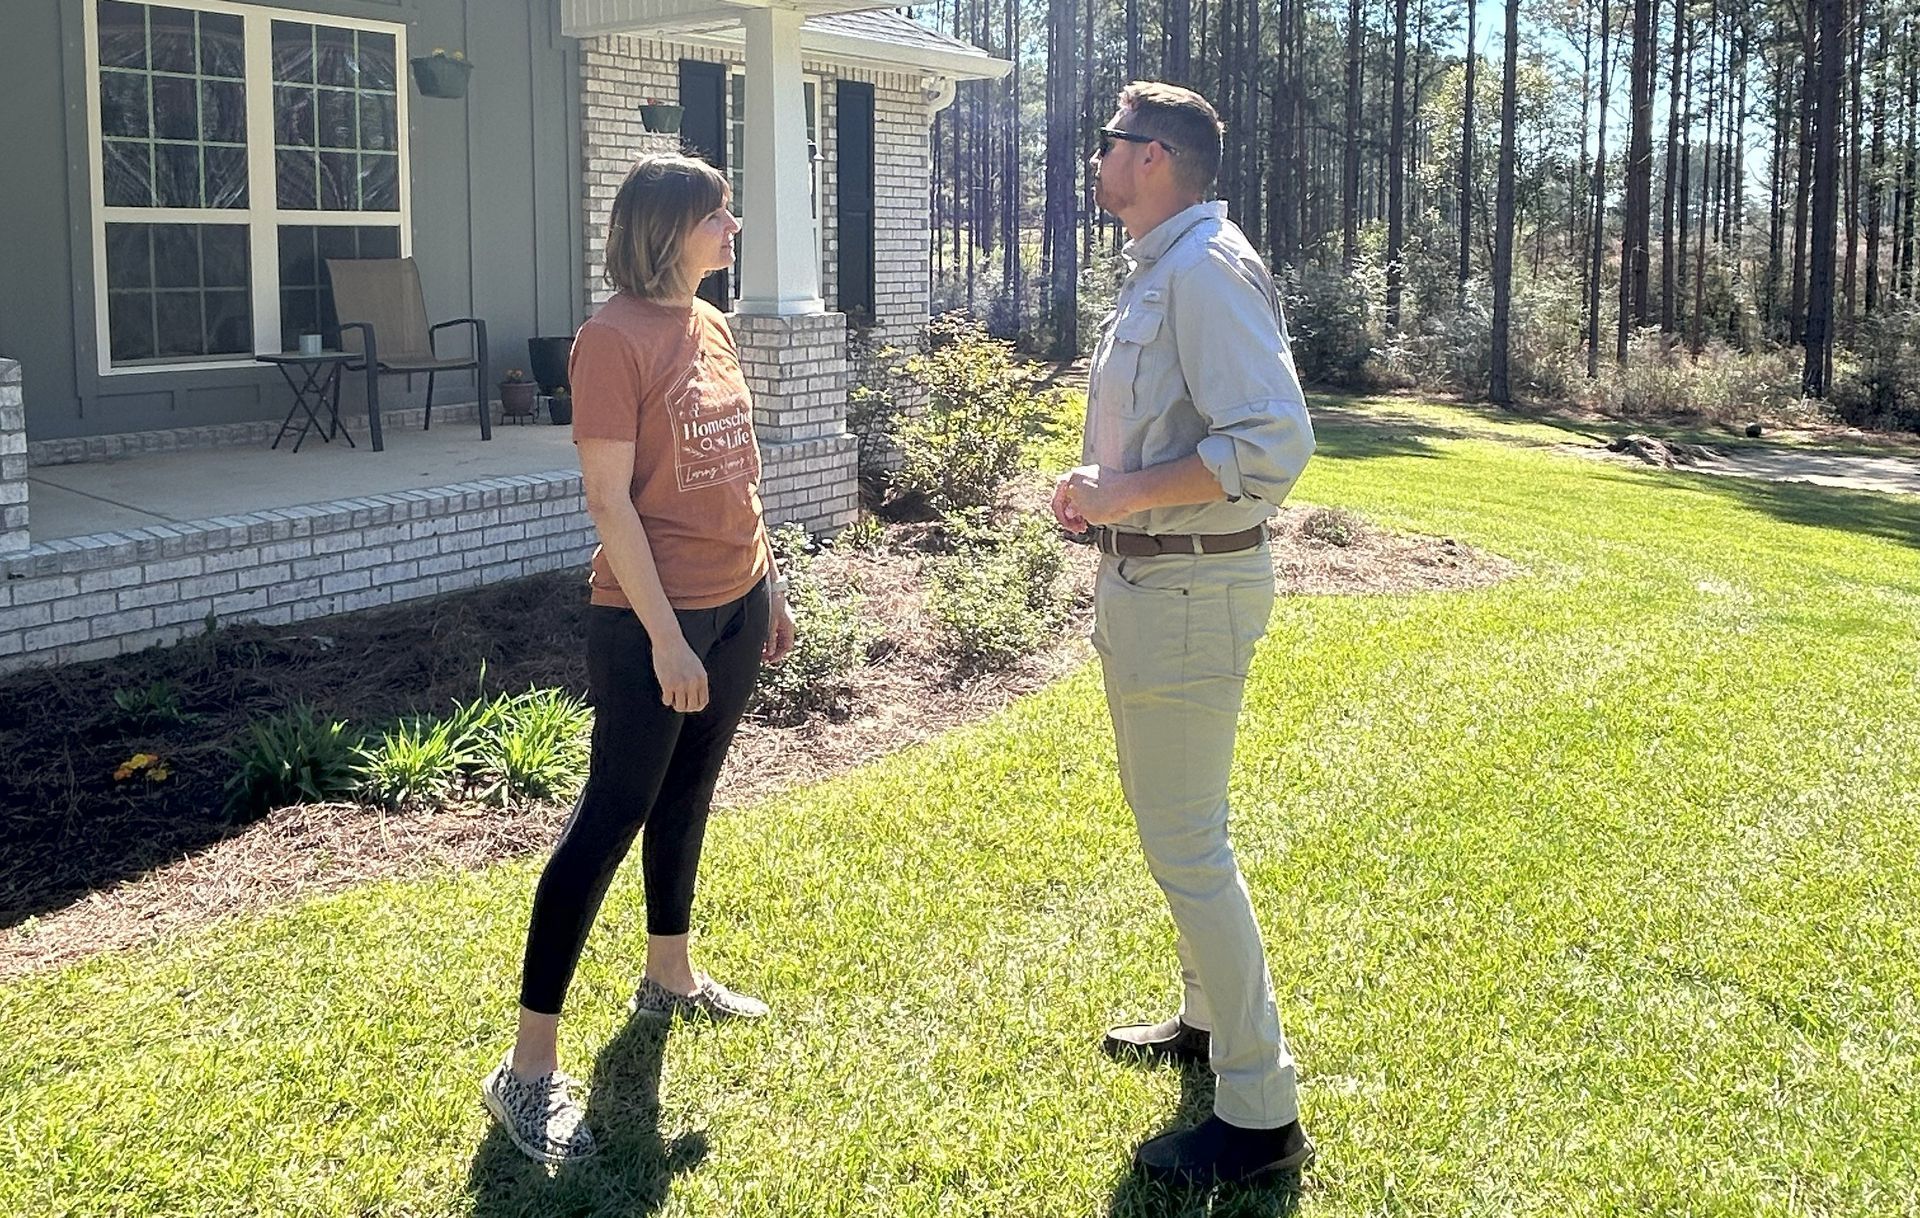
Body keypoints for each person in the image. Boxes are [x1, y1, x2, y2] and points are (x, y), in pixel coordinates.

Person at [481, 153, 797, 1165]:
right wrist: (665, 633)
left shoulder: (708, 323)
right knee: (610, 815)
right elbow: (610, 501)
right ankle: (526, 1069)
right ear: (670, 230)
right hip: (649, 620)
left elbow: (737, 470)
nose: (734, 230)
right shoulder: (610, 340)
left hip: (735, 600)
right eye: (719, 217)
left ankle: (670, 974)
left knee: (690, 795)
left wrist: (769, 585)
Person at [1051, 81, 1318, 1185]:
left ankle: (1259, 1111)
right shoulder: (1170, 265)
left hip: (1188, 591)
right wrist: (1115, 495)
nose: (1099, 158)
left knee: (1190, 849)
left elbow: (1272, 445)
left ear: (1153, 157)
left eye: (1110, 143)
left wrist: (1120, 498)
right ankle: (1208, 1027)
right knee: (1186, 834)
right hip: (1159, 585)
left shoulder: (1203, 272)